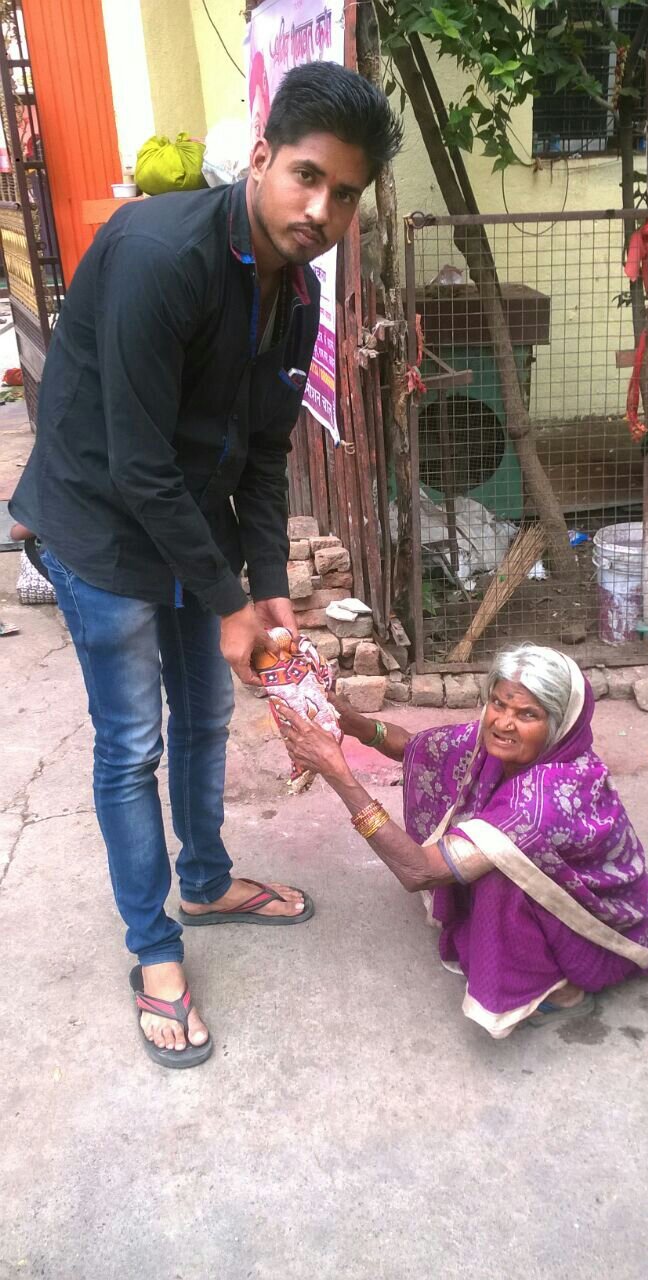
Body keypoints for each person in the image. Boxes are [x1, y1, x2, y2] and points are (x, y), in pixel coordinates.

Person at [9, 63, 402, 1068]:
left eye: (345, 194)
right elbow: (137, 463)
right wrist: (231, 604)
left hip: (188, 519)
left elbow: (263, 455)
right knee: (130, 742)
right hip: (100, 524)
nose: (320, 211)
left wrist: (265, 587)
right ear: (261, 157)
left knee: (208, 714)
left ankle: (208, 879)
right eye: (307, 176)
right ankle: (153, 948)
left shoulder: (298, 293)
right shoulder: (159, 255)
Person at [274, 644, 648, 1039]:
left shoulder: (541, 803)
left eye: (527, 714)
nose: (503, 722)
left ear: (558, 725)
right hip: (567, 883)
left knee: (502, 875)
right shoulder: (506, 746)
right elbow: (420, 750)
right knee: (467, 804)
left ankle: (559, 991)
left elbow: (418, 872)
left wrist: (338, 774)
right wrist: (351, 723)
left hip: (596, 925)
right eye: (499, 704)